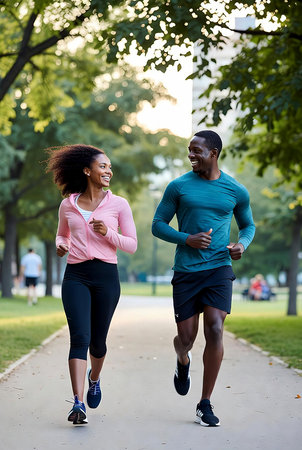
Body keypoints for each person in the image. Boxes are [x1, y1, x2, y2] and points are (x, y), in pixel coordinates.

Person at [152, 130, 255, 427]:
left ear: (214, 152)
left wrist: (241, 245)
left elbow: (248, 225)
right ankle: (182, 361)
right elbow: (157, 225)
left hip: (218, 269)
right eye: (189, 150)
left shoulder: (236, 190)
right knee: (186, 339)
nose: (190, 155)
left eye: (196, 150)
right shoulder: (178, 187)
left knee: (215, 328)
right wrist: (187, 239)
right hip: (186, 270)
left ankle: (204, 403)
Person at [46, 144, 137, 425]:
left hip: (106, 277)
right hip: (75, 276)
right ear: (87, 171)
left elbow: (132, 245)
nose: (109, 170)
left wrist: (108, 232)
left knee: (98, 343)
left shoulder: (119, 204)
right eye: (103, 166)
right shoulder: (68, 204)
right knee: (79, 339)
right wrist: (62, 245)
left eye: (109, 167)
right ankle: (78, 402)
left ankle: (94, 379)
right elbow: (62, 236)